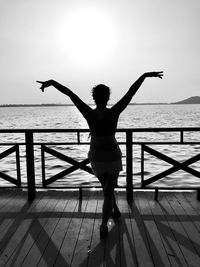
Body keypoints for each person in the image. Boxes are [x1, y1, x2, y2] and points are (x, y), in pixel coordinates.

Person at [37, 71, 163, 239]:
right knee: (108, 191)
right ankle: (104, 225)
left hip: (96, 157)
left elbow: (70, 94)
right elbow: (131, 92)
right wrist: (145, 76)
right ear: (108, 97)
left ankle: (115, 210)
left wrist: (52, 82)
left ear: (94, 98)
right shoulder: (114, 112)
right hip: (111, 155)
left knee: (107, 189)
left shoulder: (89, 113)